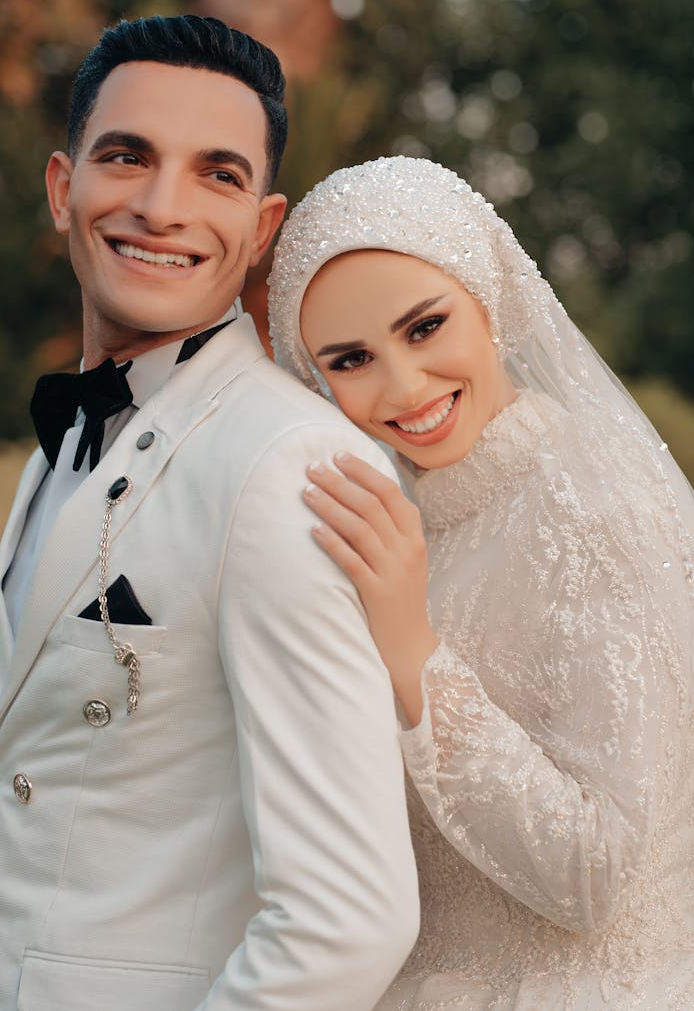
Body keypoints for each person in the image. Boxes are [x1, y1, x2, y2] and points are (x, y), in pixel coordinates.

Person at [0, 21, 420, 1009]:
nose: (162, 208)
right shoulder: (62, 447)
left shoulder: (292, 467)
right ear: (61, 186)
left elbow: (348, 916)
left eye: (217, 174)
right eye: (128, 157)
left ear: (262, 225)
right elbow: (55, 771)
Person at [267, 155, 694, 1009]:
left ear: (489, 299)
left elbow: (594, 872)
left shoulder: (601, 513)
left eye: (424, 327)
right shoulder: (399, 522)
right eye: (349, 360)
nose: (403, 386)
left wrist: (414, 653)